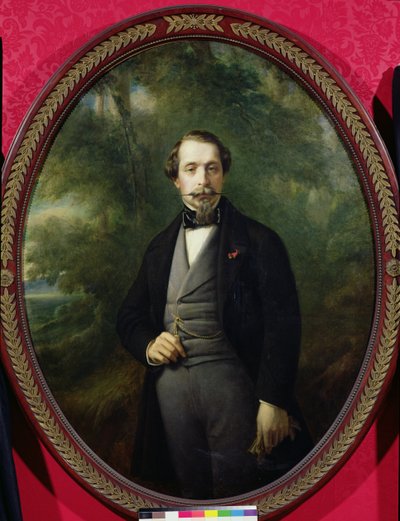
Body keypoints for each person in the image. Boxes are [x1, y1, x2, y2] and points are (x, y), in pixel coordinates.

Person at [117, 130, 312, 499]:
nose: (202, 180)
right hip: (170, 393)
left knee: (237, 492)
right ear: (176, 180)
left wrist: (273, 400)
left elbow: (283, 324)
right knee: (187, 495)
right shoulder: (159, 248)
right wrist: (148, 345)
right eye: (191, 169)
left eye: (212, 168)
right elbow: (129, 316)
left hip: (235, 387)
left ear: (223, 174)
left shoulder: (259, 241)